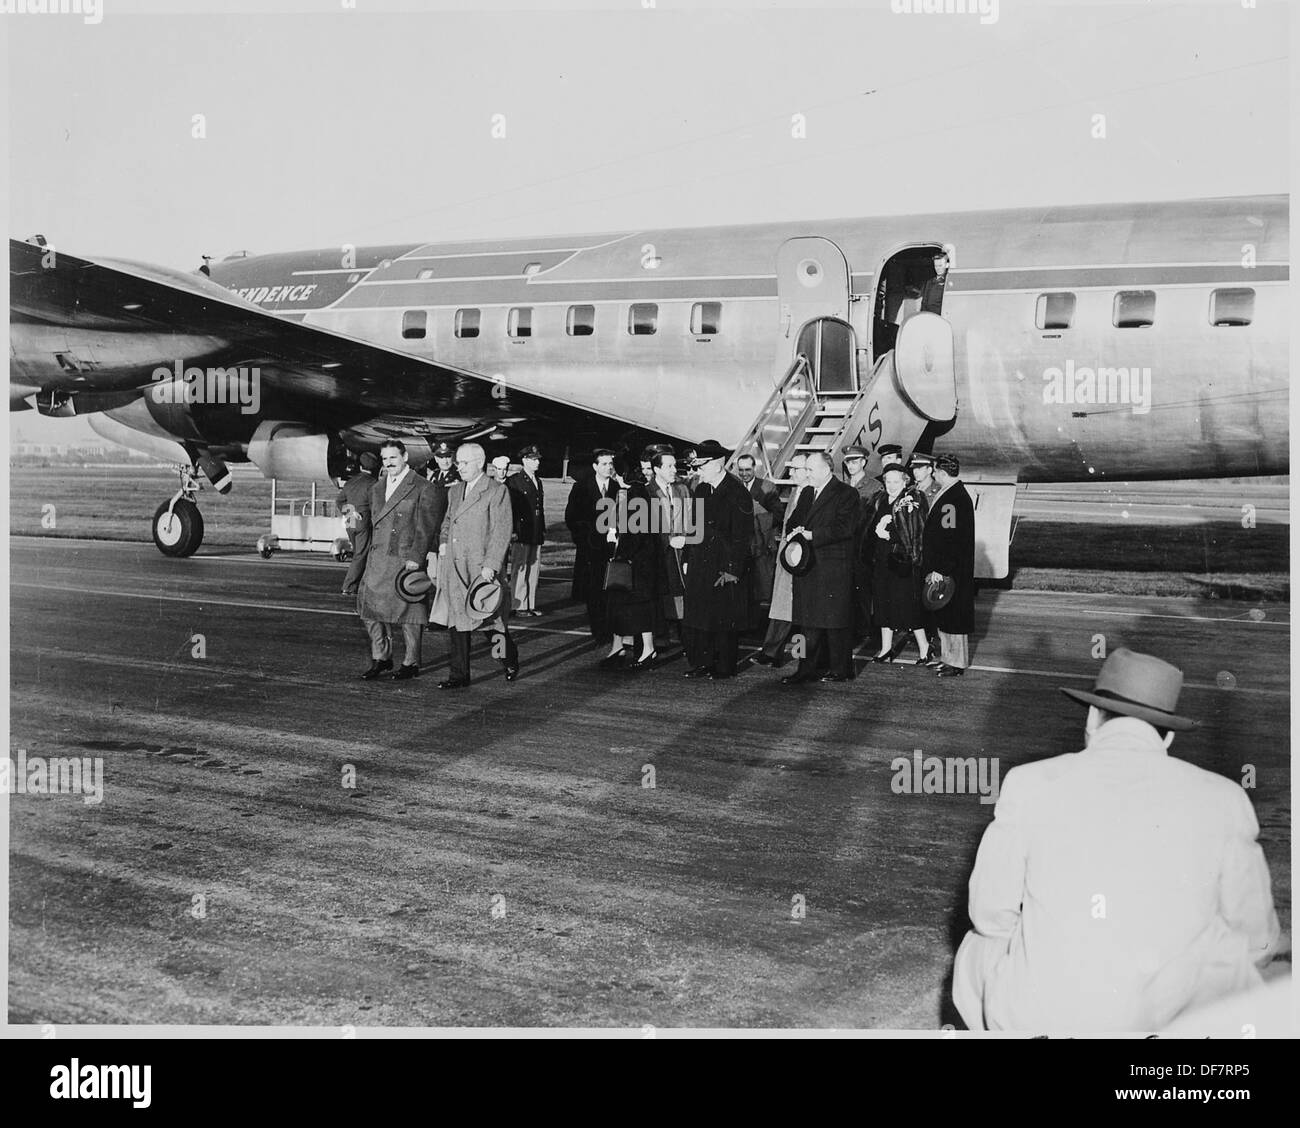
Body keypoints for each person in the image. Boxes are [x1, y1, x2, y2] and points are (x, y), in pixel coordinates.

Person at [952, 647, 1280, 1032]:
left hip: (1048, 1019)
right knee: (1237, 952)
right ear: (1169, 737)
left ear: (1093, 717)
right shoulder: (1226, 798)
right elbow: (1258, 939)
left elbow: (990, 915)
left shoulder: (1028, 782)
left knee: (981, 945)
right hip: (1170, 1023)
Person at [356, 440, 444, 680]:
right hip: (378, 559)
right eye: (384, 459)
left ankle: (411, 662)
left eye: (393, 457)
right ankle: (381, 658)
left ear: (405, 456)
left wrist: (417, 557)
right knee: (370, 610)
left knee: (409, 615)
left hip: (405, 561)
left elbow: (426, 528)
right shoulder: (377, 488)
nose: (389, 463)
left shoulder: (423, 487)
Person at [435, 443, 520, 689]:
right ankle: (459, 675)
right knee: (458, 622)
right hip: (455, 567)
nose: (458, 467)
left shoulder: (496, 491)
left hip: (480, 569)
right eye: (457, 462)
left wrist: (491, 566)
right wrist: (443, 544)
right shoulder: (454, 491)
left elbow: (501, 532)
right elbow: (448, 521)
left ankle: (507, 659)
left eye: (464, 463)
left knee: (490, 622)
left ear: (480, 463)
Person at [781, 451, 860, 684]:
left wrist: (812, 534)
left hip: (832, 568)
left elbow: (845, 527)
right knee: (804, 622)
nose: (806, 474)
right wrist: (794, 532)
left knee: (835, 623)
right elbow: (793, 520)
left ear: (826, 470)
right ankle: (803, 668)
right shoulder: (806, 493)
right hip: (806, 567)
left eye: (809, 470)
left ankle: (840, 669)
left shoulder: (847, 493)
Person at [681, 440, 751, 680]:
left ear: (719, 463)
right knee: (700, 614)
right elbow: (694, 526)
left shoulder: (736, 491)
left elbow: (742, 536)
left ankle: (724, 666)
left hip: (724, 564)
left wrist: (733, 569)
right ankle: (702, 662)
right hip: (700, 562)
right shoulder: (701, 489)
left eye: (703, 465)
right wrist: (687, 557)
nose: (698, 470)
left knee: (723, 617)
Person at [867, 463, 931, 665]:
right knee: (883, 603)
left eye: (896, 481)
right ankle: (886, 648)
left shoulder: (912, 499)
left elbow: (914, 531)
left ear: (905, 481)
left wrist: (889, 534)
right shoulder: (880, 499)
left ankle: (925, 648)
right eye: (888, 481)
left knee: (908, 606)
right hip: (882, 560)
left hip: (902, 561)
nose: (891, 485)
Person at [751, 453, 809, 668]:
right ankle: (772, 652)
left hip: (801, 559)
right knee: (782, 606)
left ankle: (798, 653)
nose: (791, 472)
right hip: (787, 557)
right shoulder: (796, 491)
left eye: (796, 469)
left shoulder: (811, 493)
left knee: (800, 610)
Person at [922, 453, 976, 678]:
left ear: (943, 473)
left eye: (935, 471)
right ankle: (947, 658)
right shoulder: (951, 494)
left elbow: (950, 537)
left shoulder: (952, 499)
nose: (933, 474)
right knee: (945, 616)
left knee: (953, 617)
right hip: (948, 567)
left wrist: (941, 568)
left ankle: (956, 662)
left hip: (950, 569)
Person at [600, 466, 659, 671]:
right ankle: (634, 648)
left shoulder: (632, 498)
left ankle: (641, 650)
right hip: (644, 563)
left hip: (634, 563)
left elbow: (633, 535)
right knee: (637, 606)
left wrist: (619, 552)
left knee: (630, 606)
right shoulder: (643, 495)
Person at [564, 449, 621, 643]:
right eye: (604, 464)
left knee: (610, 591)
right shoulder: (581, 487)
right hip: (590, 549)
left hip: (611, 549)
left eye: (610, 464)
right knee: (593, 593)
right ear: (595, 466)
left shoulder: (617, 488)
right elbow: (572, 517)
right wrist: (585, 539)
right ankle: (599, 632)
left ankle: (609, 629)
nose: (608, 467)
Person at [647, 448, 691, 645]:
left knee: (681, 595)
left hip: (680, 553)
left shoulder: (682, 490)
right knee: (659, 595)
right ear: (657, 469)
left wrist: (686, 544)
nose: (674, 469)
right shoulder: (646, 492)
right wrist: (666, 541)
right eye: (669, 466)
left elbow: (691, 520)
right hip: (658, 553)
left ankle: (685, 638)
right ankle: (660, 637)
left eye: (675, 465)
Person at [734, 452, 782, 622]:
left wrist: (755, 515)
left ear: (755, 468)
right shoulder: (734, 486)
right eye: (740, 470)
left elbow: (777, 515)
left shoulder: (767, 487)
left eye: (748, 469)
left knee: (759, 586)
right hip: (740, 544)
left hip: (760, 543)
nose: (744, 473)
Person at [841, 444, 878, 644]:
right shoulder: (841, 485)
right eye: (848, 462)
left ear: (863, 462)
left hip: (862, 546)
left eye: (855, 461)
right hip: (844, 546)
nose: (851, 465)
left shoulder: (874, 486)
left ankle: (864, 629)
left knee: (862, 590)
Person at [505, 445, 545, 616]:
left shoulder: (538, 480)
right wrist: (513, 530)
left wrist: (542, 528)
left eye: (537, 459)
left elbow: (539, 507)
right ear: (524, 461)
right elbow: (511, 509)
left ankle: (530, 604)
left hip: (535, 530)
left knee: (533, 569)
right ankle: (518, 605)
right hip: (521, 531)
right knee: (520, 569)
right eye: (533, 459)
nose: (536, 462)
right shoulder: (514, 481)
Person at [336, 451, 380, 596]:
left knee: (358, 554)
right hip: (363, 521)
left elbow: (340, 501)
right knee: (360, 555)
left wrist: (349, 512)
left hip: (350, 521)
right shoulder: (373, 483)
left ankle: (357, 584)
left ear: (360, 466)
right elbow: (375, 506)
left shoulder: (350, 481)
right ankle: (349, 586)